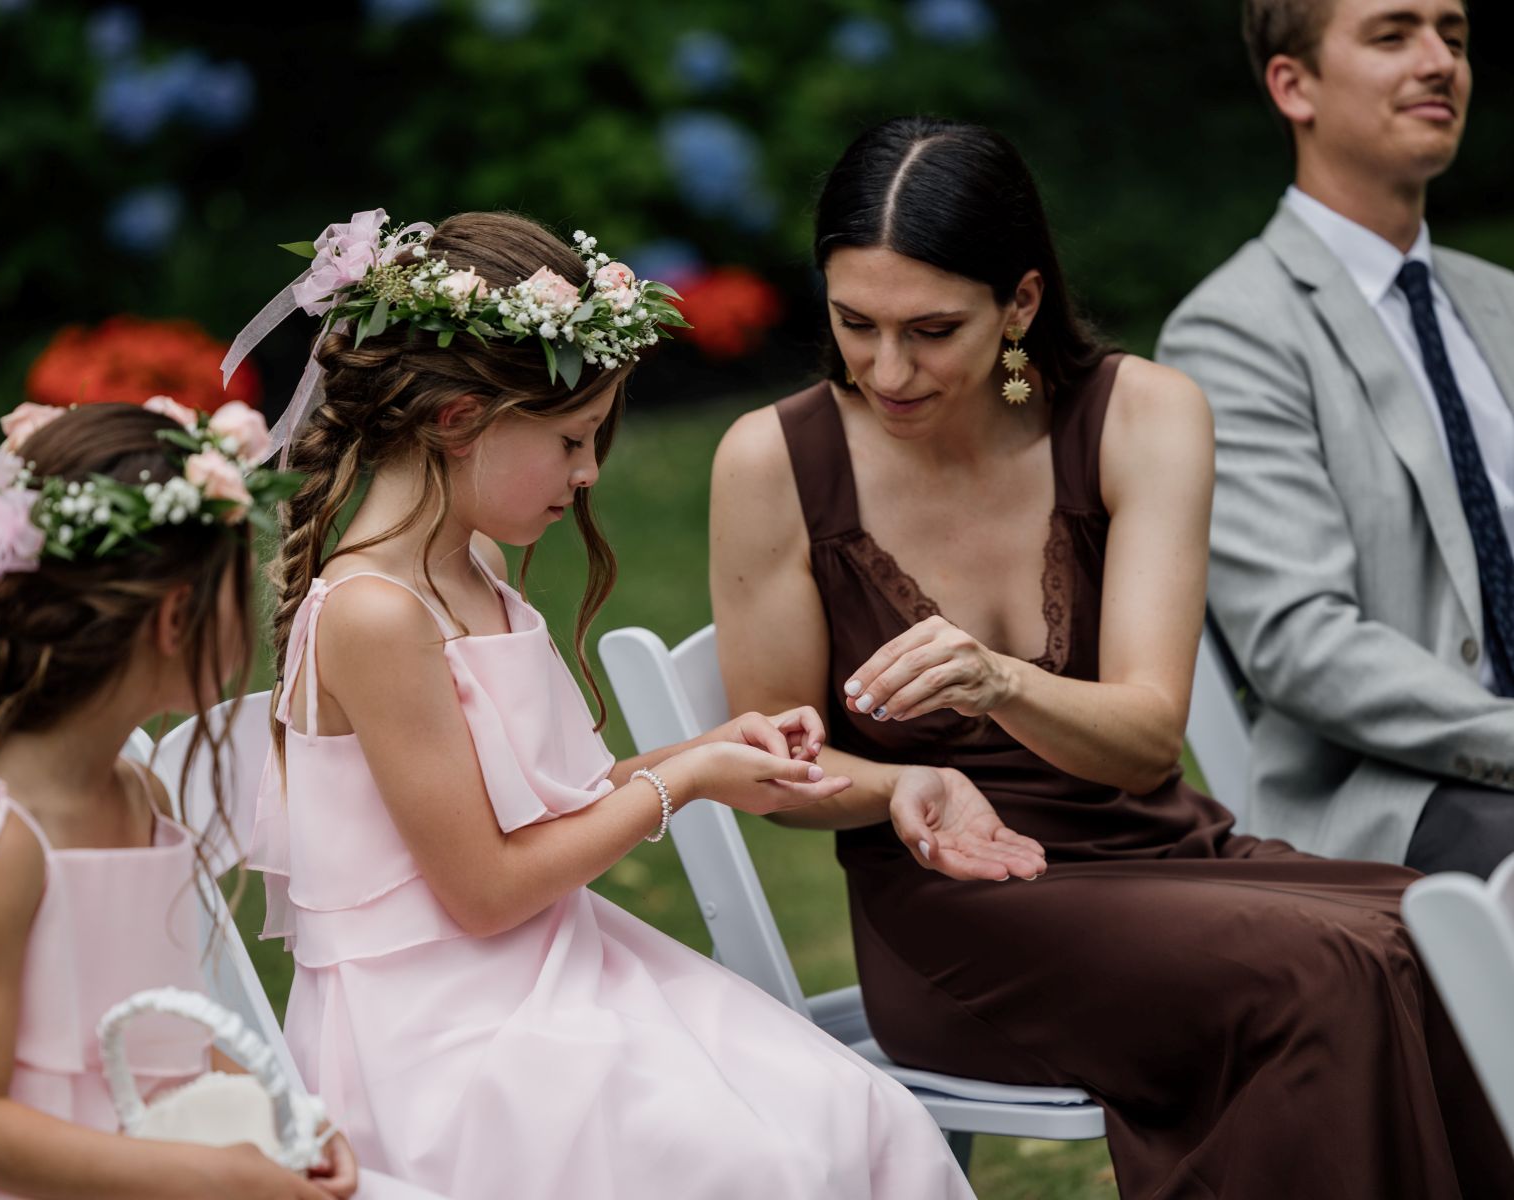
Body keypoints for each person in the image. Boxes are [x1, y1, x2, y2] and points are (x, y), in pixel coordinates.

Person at [709, 114, 1514, 1198]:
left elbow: (1143, 746)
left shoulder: (1142, 415)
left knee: (1433, 939)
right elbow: (775, 765)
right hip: (959, 919)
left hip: (1168, 855)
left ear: (1022, 306)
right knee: (1330, 971)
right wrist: (911, 778)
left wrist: (1000, 681)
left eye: (933, 330)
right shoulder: (772, 461)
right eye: (855, 322)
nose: (885, 369)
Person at [232, 209, 977, 1199]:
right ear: (460, 422)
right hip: (437, 1030)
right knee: (743, 1162)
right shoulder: (373, 614)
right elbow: (485, 890)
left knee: (852, 1110)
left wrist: (708, 753)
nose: (589, 473)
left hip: (558, 967)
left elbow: (550, 808)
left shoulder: (477, 565)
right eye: (574, 439)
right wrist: (687, 782)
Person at [0, 400, 368, 1199]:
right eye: (231, 589)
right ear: (177, 617)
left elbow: (163, 1029)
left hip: (128, 1156)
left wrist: (293, 1123)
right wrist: (205, 1178)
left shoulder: (136, 796)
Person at [1157, 0, 1514, 876]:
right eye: (1394, 36)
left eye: (1455, 38)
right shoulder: (1229, 333)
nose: (1440, 62)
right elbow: (1302, 640)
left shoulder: (1503, 302)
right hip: (1393, 798)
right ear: (1293, 84)